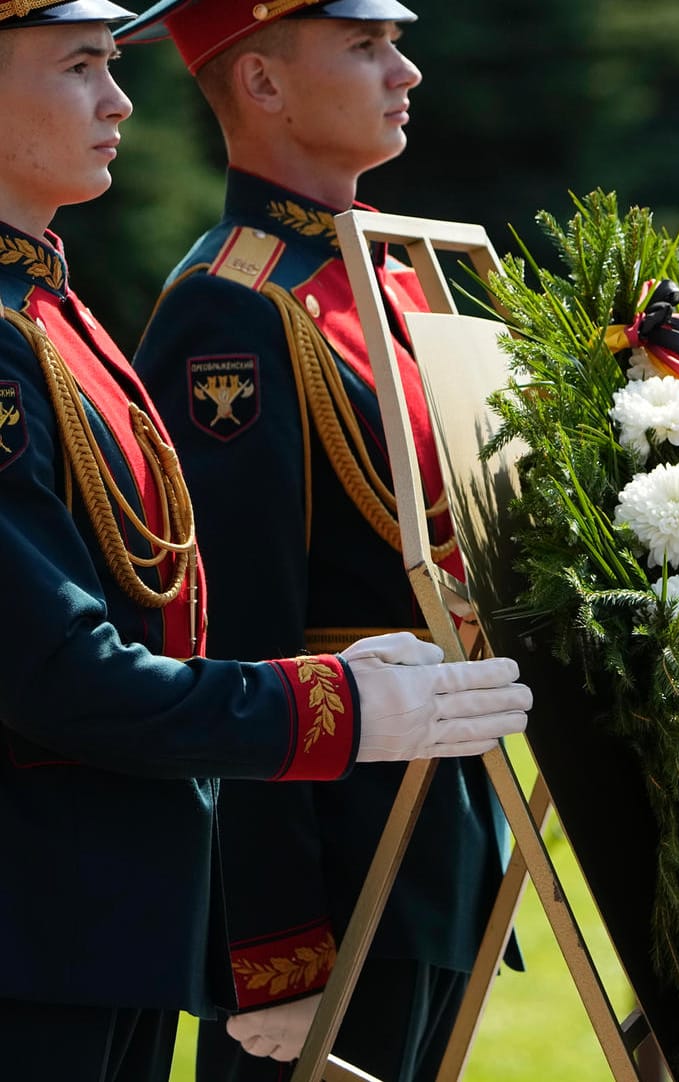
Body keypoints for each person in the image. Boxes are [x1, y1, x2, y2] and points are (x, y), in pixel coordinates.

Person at [0, 4, 530, 1081]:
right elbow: (212, 623)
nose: (120, 101)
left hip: (373, 823)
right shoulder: (228, 307)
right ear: (267, 84)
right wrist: (273, 941)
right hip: (138, 876)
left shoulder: (63, 316)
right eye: (81, 66)